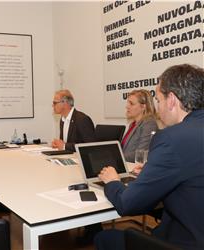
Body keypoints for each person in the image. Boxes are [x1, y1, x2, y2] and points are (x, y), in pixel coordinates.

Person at [95, 64, 204, 250]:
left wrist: (112, 181)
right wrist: (154, 170)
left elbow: (128, 204)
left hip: (186, 241)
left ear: (171, 100)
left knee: (104, 238)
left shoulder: (171, 139)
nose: (158, 108)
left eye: (159, 100)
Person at [52, 89, 100, 244]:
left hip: (82, 166)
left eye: (55, 102)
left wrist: (65, 145)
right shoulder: (63, 119)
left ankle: (93, 230)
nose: (53, 105)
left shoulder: (82, 119)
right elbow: (66, 144)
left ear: (65, 103)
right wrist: (60, 146)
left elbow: (90, 145)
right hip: (69, 163)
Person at [121, 89, 159, 162]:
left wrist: (116, 157)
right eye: (128, 103)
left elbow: (141, 154)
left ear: (143, 107)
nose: (127, 106)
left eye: (131, 104)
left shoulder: (149, 124)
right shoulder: (133, 124)